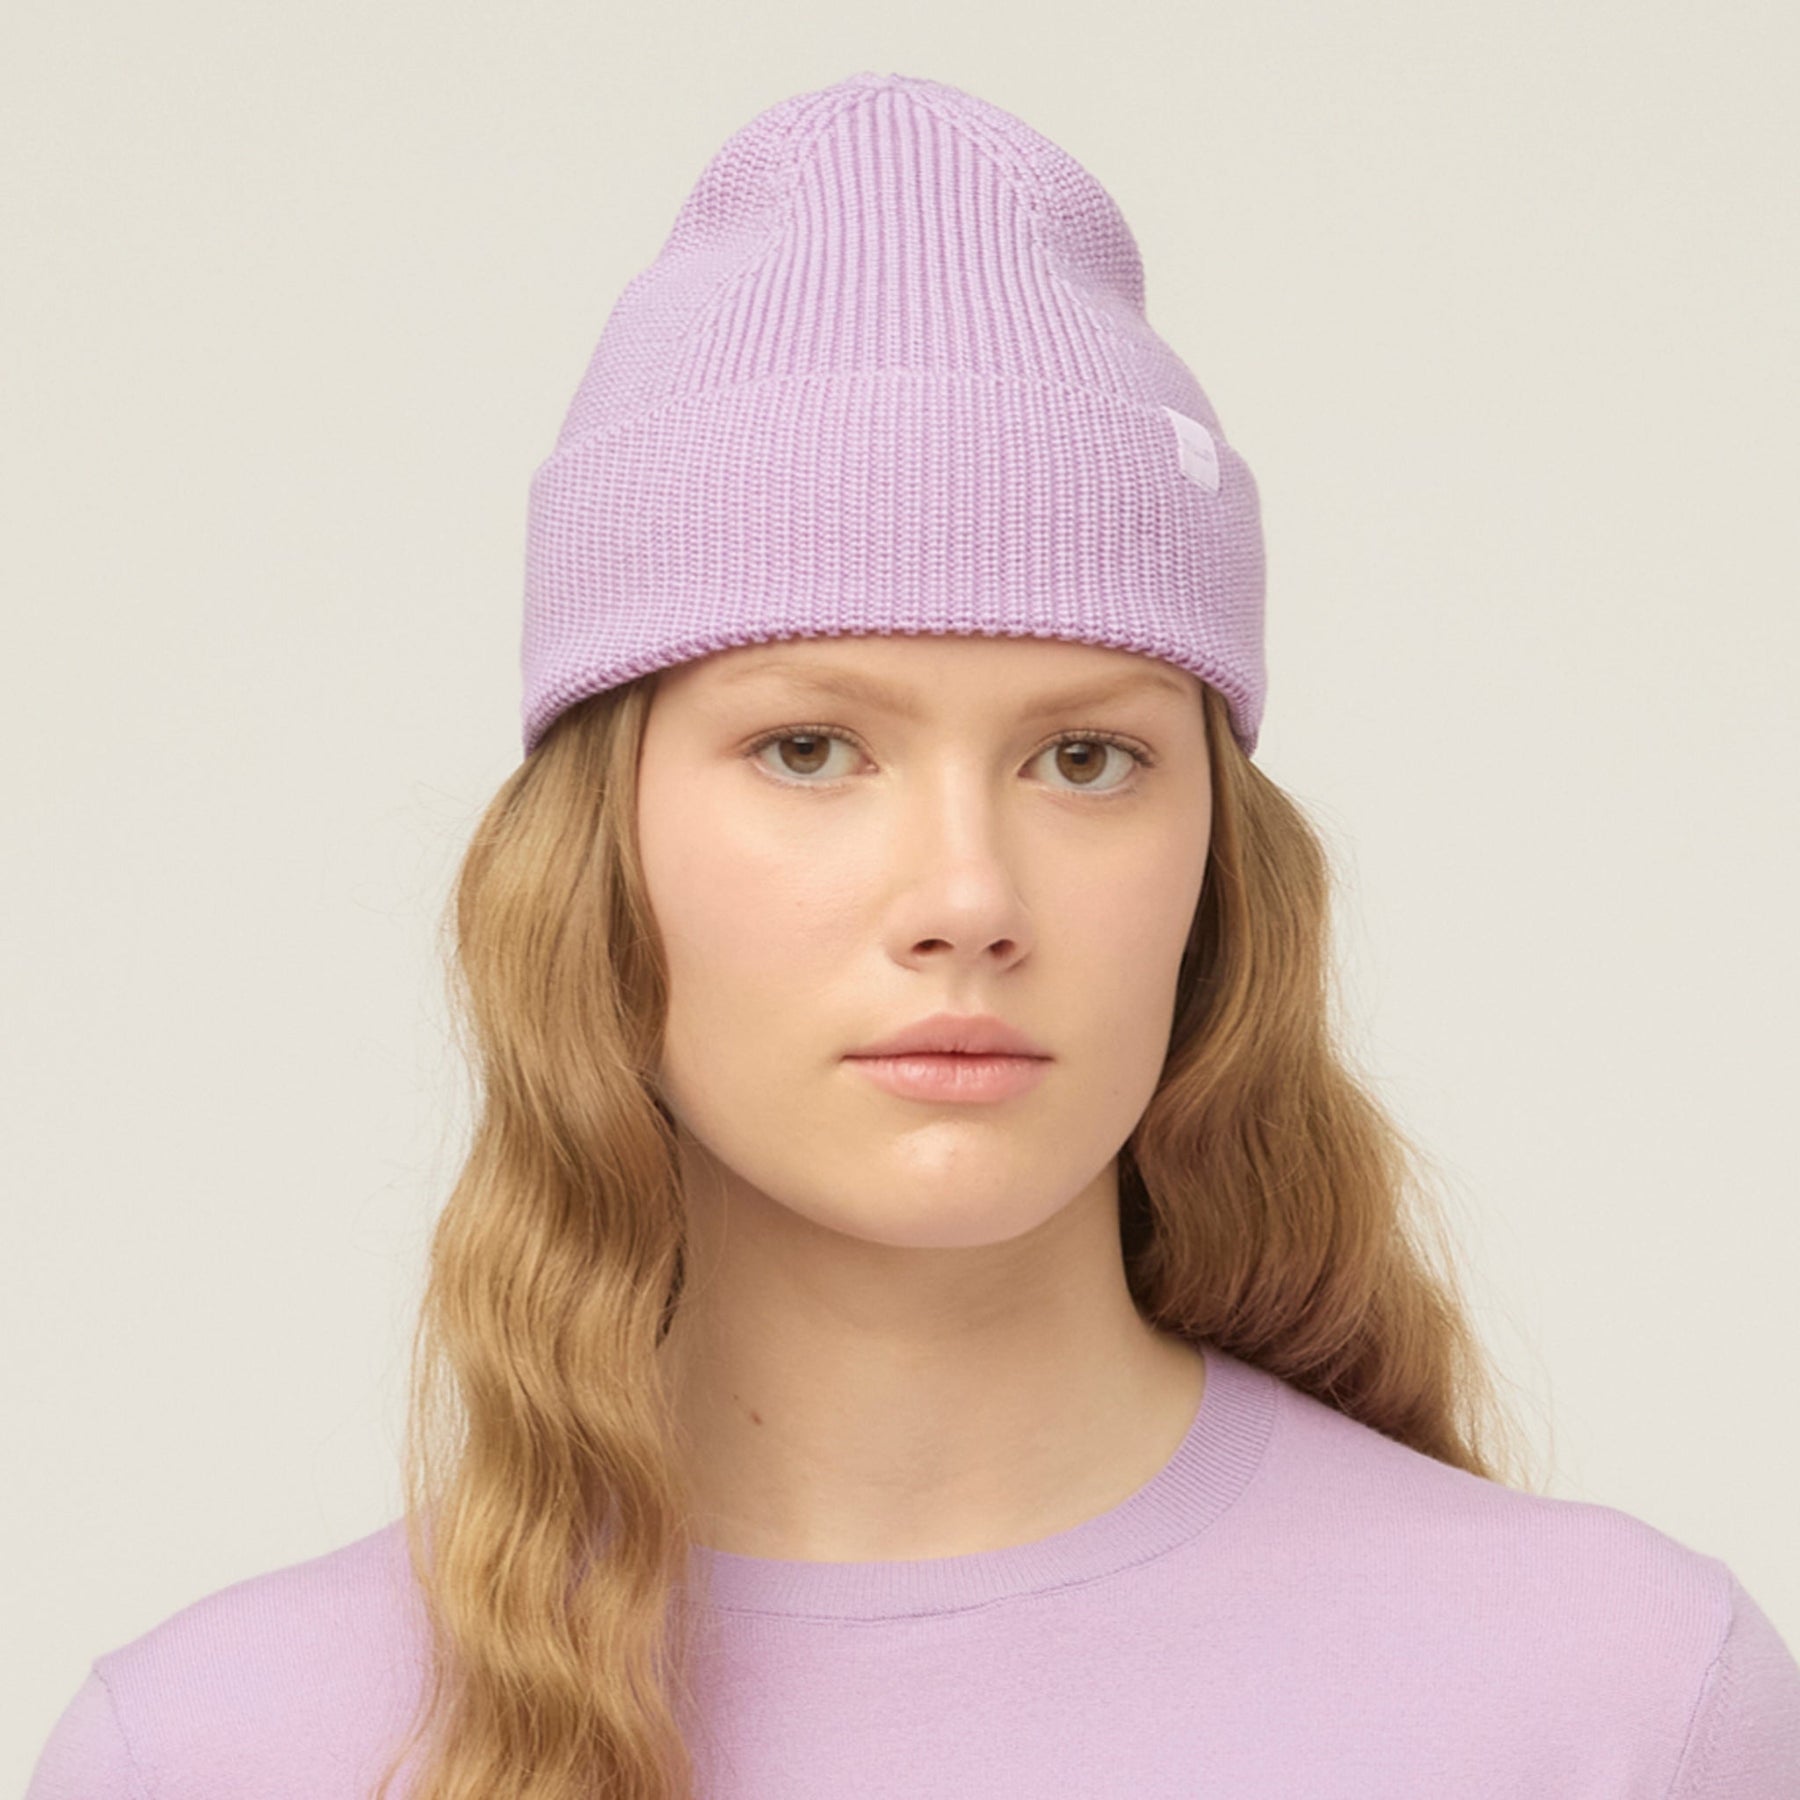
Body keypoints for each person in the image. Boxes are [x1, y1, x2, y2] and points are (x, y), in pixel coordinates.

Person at [26, 68, 1800, 1800]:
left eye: (1085, 758)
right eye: (811, 750)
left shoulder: (1632, 1706)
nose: (967, 897)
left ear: (1218, 862)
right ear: (594, 855)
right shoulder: (213, 1754)